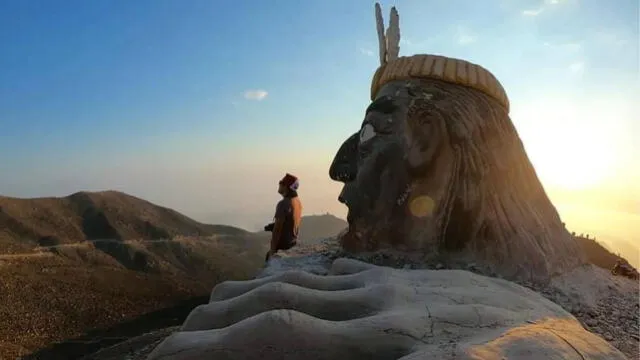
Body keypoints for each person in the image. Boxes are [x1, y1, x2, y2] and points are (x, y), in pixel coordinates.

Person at [264, 173, 302, 262]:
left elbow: (277, 230)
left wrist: (272, 251)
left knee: (267, 258)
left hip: (283, 247)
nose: (279, 184)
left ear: (286, 186)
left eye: (281, 182)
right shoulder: (297, 201)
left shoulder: (283, 204)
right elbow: (291, 221)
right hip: (292, 243)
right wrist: (273, 226)